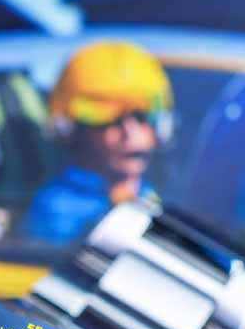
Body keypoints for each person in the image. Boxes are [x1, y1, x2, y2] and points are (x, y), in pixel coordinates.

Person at [24, 41, 174, 243]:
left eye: (141, 116)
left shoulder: (151, 196)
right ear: (71, 130)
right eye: (110, 120)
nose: (130, 133)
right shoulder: (55, 211)